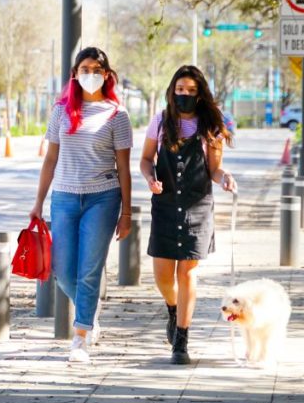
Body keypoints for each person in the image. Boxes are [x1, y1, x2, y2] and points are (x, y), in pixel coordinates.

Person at [30, 47, 133, 363]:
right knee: (62, 270)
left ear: (107, 74)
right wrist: (38, 203)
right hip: (63, 198)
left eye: (97, 69)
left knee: (89, 269)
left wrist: (127, 212)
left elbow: (124, 168)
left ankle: (81, 337)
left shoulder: (117, 115)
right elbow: (50, 159)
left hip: (103, 198)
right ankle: (90, 314)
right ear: (74, 74)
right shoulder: (61, 111)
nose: (91, 74)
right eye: (84, 68)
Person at [139, 65, 235, 365]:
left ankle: (181, 340)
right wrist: (150, 179)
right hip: (165, 206)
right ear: (172, 90)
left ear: (200, 93)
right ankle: (172, 306)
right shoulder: (161, 121)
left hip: (197, 207)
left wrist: (224, 179)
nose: (185, 95)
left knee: (188, 272)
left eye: (192, 91)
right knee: (163, 275)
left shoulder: (211, 126)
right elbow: (145, 159)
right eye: (181, 89)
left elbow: (214, 169)